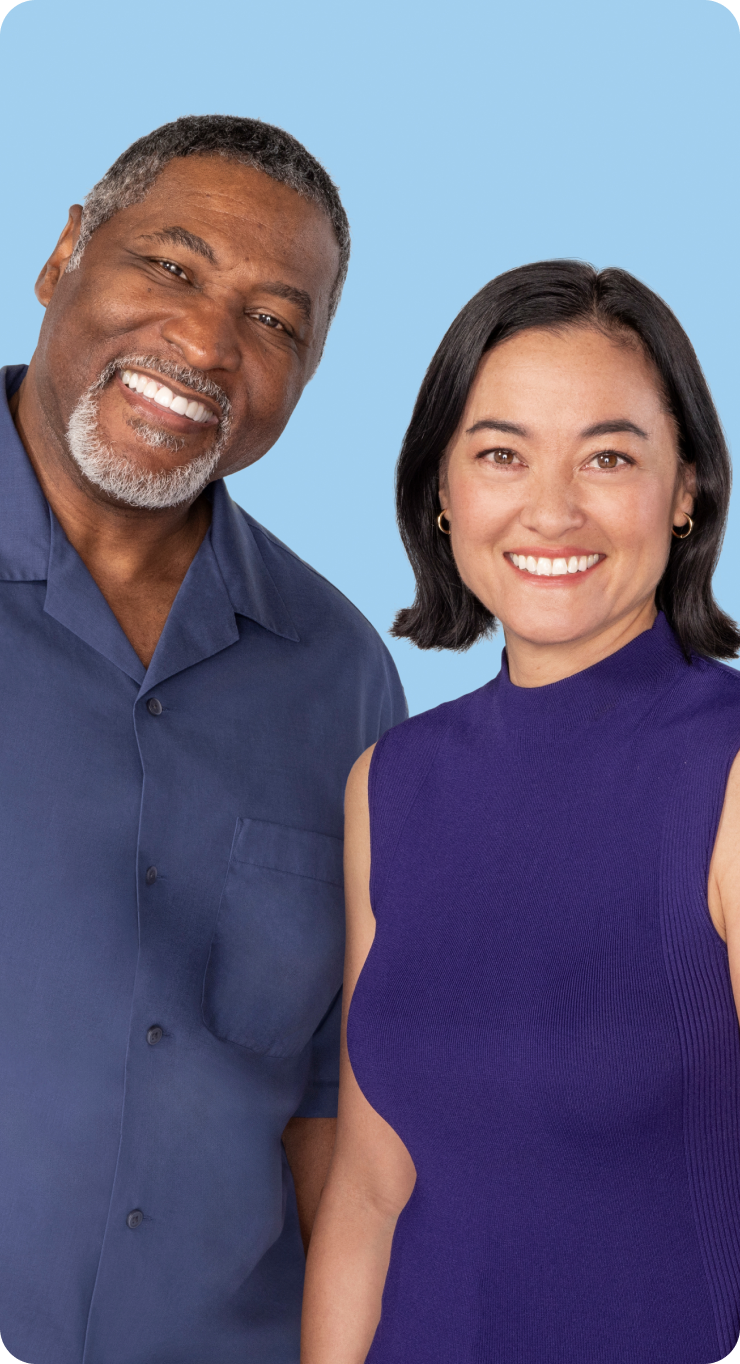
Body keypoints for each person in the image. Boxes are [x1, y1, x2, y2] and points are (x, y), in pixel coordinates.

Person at [0, 114, 406, 1364]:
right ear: (67, 250)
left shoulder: (339, 679)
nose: (207, 343)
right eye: (170, 268)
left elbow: (337, 1112)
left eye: (277, 323)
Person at [302, 260, 740, 1363]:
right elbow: (368, 1185)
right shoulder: (390, 781)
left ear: (684, 488)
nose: (550, 508)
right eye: (500, 454)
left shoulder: (726, 771)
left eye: (607, 456)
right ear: (442, 490)